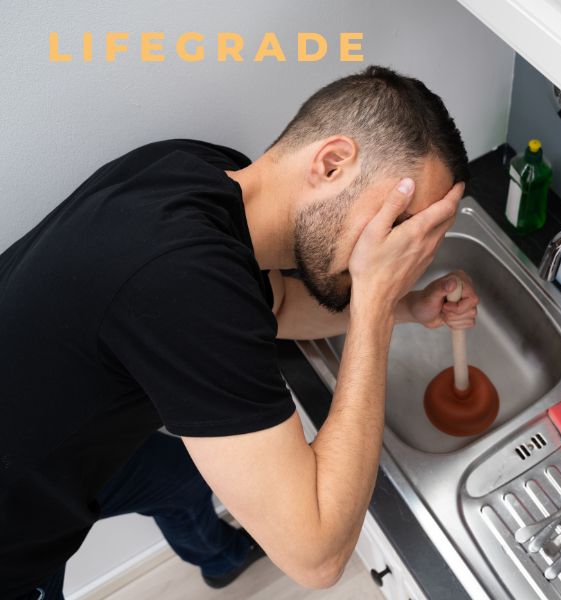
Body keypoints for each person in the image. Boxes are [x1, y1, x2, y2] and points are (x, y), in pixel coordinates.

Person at [0, 65, 479, 599]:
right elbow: (317, 556)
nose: (400, 255)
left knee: (180, 480)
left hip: (46, 426)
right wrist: (375, 306)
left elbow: (278, 306)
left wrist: (408, 305)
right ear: (332, 164)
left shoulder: (205, 172)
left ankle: (219, 556)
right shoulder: (184, 282)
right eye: (399, 224)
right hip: (12, 541)